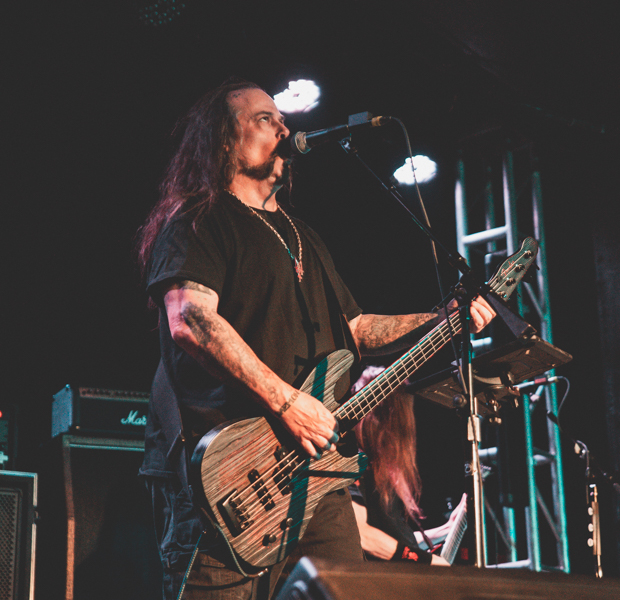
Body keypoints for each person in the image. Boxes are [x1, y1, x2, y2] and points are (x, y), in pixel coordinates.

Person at [135, 79, 495, 600]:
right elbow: (191, 318)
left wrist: (443, 319)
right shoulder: (200, 219)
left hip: (315, 477)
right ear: (224, 141)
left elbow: (356, 330)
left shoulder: (303, 235)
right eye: (264, 119)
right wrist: (287, 403)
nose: (284, 129)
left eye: (283, 120)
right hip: (229, 474)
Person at [348, 366, 467, 566]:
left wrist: (447, 529)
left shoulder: (383, 471)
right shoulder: (353, 463)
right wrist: (427, 560)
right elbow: (362, 535)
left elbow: (399, 542)